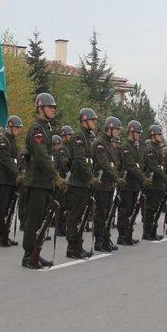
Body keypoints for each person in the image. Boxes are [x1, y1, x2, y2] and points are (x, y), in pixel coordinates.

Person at [21, 93, 67, 269]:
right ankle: (28, 255)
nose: (53, 109)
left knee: (40, 219)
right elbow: (41, 156)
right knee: (33, 220)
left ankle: (35, 253)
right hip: (36, 181)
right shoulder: (37, 129)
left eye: (54, 107)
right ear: (40, 108)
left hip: (44, 181)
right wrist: (56, 176)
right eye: (50, 107)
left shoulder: (46, 128)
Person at [65, 108, 99, 258]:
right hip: (78, 183)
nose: (94, 122)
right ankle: (72, 247)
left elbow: (88, 162)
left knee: (81, 216)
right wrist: (90, 178)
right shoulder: (78, 137)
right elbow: (79, 161)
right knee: (75, 216)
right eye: (92, 120)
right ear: (84, 120)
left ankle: (77, 244)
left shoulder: (86, 137)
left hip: (84, 183)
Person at [92, 116, 125, 252]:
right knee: (100, 213)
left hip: (109, 184)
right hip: (102, 184)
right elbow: (104, 163)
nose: (118, 132)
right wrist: (116, 177)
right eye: (116, 129)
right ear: (110, 129)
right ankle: (99, 241)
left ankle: (106, 238)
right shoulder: (100, 143)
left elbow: (113, 164)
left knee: (108, 214)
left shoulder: (110, 144)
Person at [117, 120, 149, 245]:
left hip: (134, 184)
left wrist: (141, 180)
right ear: (131, 132)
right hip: (127, 184)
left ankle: (128, 235)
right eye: (138, 132)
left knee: (131, 210)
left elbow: (139, 165)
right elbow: (130, 166)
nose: (140, 135)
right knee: (125, 210)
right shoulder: (125, 146)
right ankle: (122, 236)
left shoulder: (135, 146)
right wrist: (143, 178)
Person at [0, 115, 23, 247]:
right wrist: (17, 175)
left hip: (10, 180)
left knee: (9, 209)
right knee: (1, 209)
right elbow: (6, 160)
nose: (19, 130)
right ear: (10, 127)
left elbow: (15, 161)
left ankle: (5, 234)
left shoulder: (13, 140)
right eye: (17, 127)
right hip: (3, 179)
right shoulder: (3, 140)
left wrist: (19, 174)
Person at [142, 125, 167, 240]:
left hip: (158, 183)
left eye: (161, 134)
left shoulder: (158, 148)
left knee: (156, 209)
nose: (161, 136)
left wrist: (164, 180)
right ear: (153, 135)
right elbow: (154, 167)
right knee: (150, 209)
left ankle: (152, 232)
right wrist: (166, 179)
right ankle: (147, 233)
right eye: (159, 134)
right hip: (152, 183)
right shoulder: (150, 149)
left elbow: (161, 167)